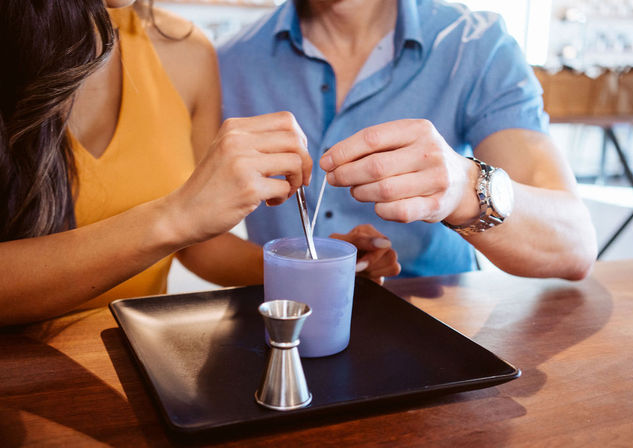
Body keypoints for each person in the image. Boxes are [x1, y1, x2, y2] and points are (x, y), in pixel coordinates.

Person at [0, 0, 398, 327]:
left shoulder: (187, 50)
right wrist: (173, 216)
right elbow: (181, 223)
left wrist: (310, 268)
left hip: (136, 357)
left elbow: (198, 246)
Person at [217, 0, 597, 280]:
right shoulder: (228, 62)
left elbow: (573, 244)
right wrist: (305, 273)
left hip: (444, 333)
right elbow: (198, 240)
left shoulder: (475, 45)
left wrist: (464, 188)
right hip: (281, 337)